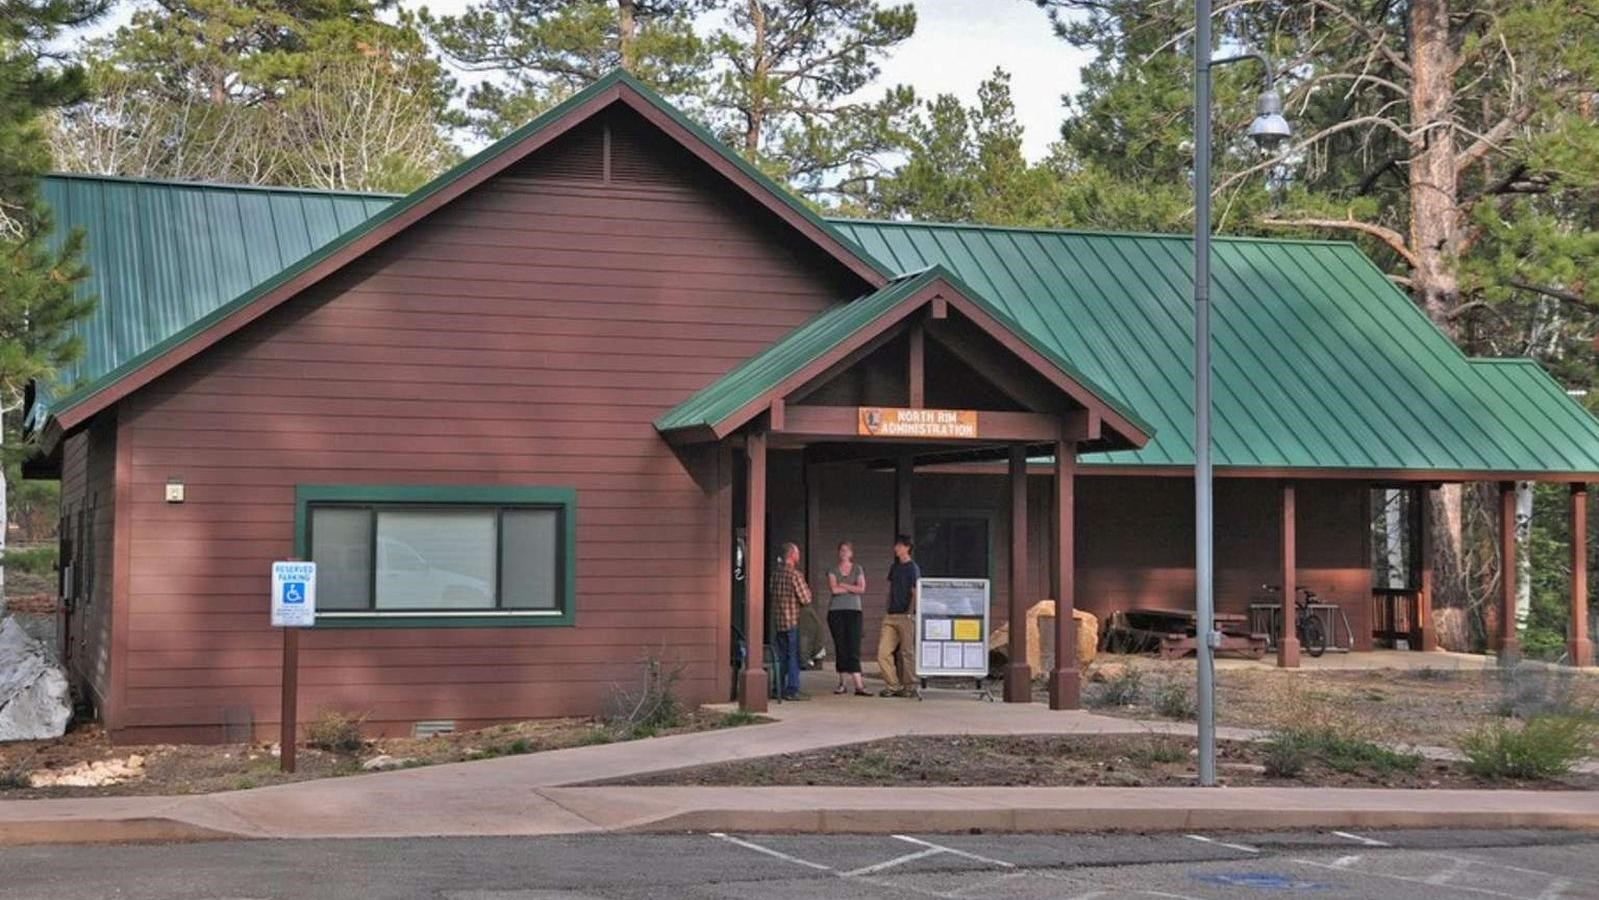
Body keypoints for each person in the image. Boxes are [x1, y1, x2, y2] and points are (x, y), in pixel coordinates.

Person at [768, 541, 813, 701]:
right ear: (792, 555)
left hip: (779, 622)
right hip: (793, 621)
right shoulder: (795, 575)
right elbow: (806, 598)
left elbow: (772, 592)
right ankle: (792, 689)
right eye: (798, 553)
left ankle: (777, 687)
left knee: (780, 656)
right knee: (793, 655)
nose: (799, 556)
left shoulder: (775, 575)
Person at [877, 534, 921, 697]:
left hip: (905, 616)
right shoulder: (894, 568)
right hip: (891, 615)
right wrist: (887, 607)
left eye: (898, 545)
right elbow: (891, 589)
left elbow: (915, 592)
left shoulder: (913, 568)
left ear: (906, 547)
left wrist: (910, 613)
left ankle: (910, 686)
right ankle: (893, 685)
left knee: (906, 652)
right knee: (883, 652)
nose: (895, 548)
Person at [826, 541, 868, 696]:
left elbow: (862, 589)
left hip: (854, 611)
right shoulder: (832, 569)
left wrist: (843, 584)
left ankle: (859, 684)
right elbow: (834, 589)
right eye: (841, 550)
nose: (843, 553)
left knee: (854, 646)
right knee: (841, 646)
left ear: (851, 553)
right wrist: (851, 587)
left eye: (846, 550)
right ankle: (842, 683)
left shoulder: (857, 568)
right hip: (836, 611)